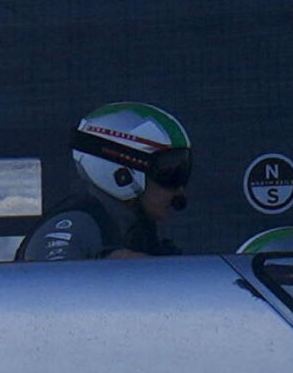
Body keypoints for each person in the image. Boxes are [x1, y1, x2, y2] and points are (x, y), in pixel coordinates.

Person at [17, 103, 191, 262]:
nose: (180, 192)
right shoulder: (75, 227)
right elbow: (50, 289)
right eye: (171, 174)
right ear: (122, 173)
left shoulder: (136, 231)